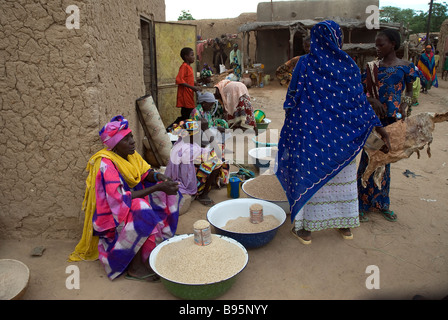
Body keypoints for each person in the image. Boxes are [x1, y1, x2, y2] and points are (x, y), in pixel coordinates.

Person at [275, 20, 391, 245]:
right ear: (337, 39)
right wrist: (378, 126)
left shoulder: (305, 64)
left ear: (315, 40)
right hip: (342, 139)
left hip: (310, 135)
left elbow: (292, 99)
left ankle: (305, 230)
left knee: (310, 176)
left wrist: (294, 123)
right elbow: (359, 103)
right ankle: (344, 225)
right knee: (343, 179)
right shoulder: (347, 65)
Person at [68, 115, 181, 281]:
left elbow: (145, 173)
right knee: (142, 210)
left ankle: (159, 237)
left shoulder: (130, 154)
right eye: (126, 139)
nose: (132, 142)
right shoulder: (106, 164)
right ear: (114, 144)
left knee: (169, 192)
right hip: (112, 214)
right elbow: (120, 200)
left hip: (131, 201)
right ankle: (135, 268)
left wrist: (159, 179)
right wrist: (157, 187)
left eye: (131, 137)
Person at [358, 29, 416, 223]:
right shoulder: (372, 68)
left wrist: (404, 111)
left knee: (385, 162)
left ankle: (382, 204)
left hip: (393, 122)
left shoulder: (406, 67)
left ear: (393, 44)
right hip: (373, 122)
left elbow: (409, 94)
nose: (377, 48)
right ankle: (361, 205)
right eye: (376, 45)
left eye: (381, 44)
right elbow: (360, 93)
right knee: (368, 160)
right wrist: (372, 99)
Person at [165, 111, 229, 207]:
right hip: (188, 180)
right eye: (197, 133)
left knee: (214, 156)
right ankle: (203, 194)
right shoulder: (190, 150)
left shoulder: (180, 143)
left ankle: (210, 183)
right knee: (217, 162)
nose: (199, 134)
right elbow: (216, 151)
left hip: (182, 174)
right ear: (191, 136)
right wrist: (206, 129)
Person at [168, 47, 202, 130]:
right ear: (186, 56)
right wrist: (193, 87)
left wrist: (195, 84)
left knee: (186, 116)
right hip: (185, 96)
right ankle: (170, 129)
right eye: (192, 55)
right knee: (186, 117)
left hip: (189, 95)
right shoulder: (184, 67)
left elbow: (187, 80)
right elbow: (179, 80)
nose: (194, 57)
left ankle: (174, 130)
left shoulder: (189, 67)